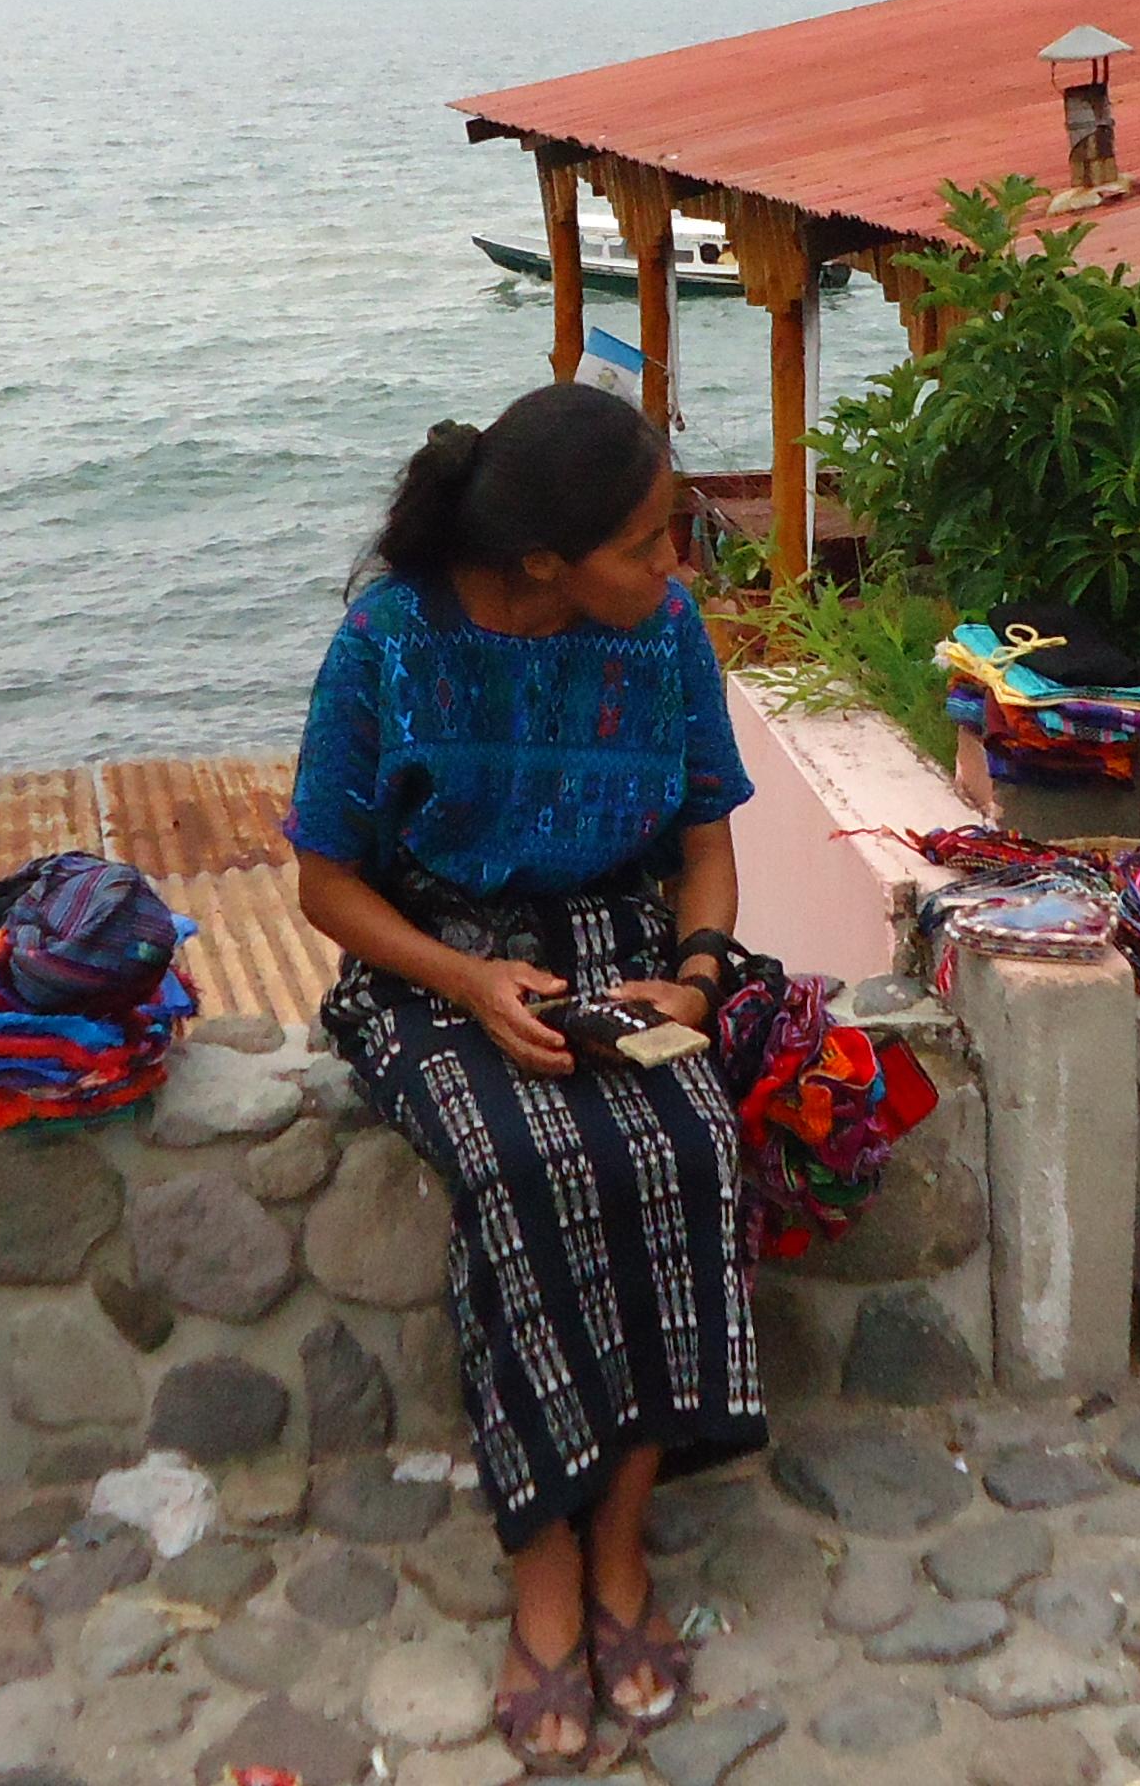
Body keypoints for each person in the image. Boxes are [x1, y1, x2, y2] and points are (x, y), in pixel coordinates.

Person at [289, 384, 763, 1775]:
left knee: (687, 1145)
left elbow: (706, 845)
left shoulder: (665, 635)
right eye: (649, 545)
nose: (677, 571)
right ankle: (543, 1566)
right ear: (547, 563)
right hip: (433, 960)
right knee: (524, 1164)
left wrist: (695, 972)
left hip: (622, 949)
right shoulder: (390, 639)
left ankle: (621, 1547)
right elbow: (325, 884)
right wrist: (470, 983)